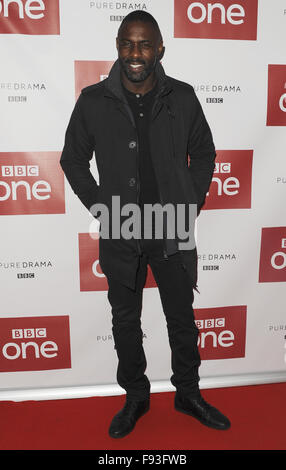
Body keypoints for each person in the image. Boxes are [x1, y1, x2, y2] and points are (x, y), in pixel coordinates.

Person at [60, 10, 231, 439]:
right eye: (127, 43)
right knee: (125, 322)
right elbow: (73, 161)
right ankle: (136, 396)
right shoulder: (94, 100)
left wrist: (188, 204)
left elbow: (205, 154)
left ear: (159, 49)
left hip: (172, 228)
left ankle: (188, 394)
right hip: (121, 232)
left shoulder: (184, 98)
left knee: (181, 319)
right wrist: (104, 209)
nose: (135, 53)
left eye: (144, 44)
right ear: (118, 46)